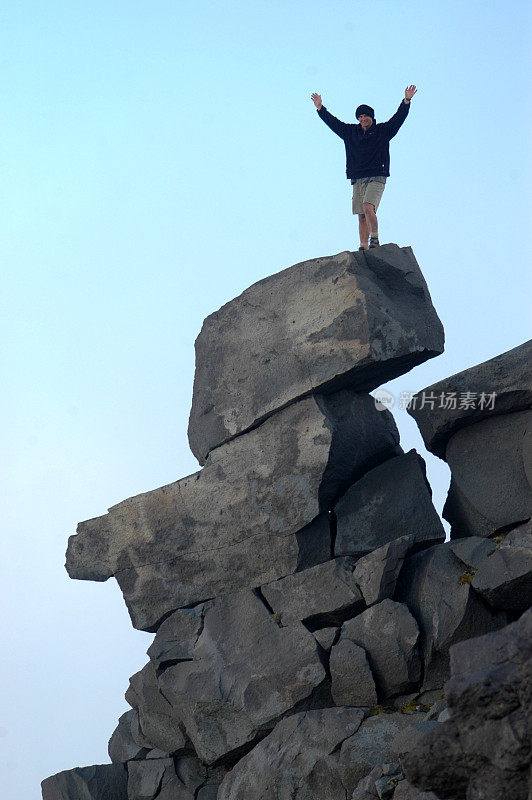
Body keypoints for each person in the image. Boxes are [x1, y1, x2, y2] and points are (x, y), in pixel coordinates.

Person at [311, 86, 417, 250]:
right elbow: (334, 123)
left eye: (366, 116)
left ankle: (374, 239)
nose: (363, 119)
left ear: (372, 117)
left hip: (377, 175)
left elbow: (398, 119)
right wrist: (320, 108)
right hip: (358, 177)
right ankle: (363, 247)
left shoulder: (383, 131)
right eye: (360, 117)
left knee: (368, 207)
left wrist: (406, 101)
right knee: (361, 215)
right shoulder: (350, 132)